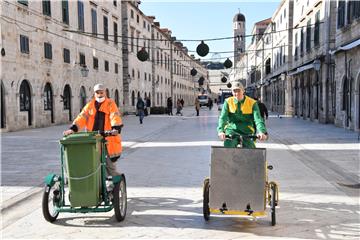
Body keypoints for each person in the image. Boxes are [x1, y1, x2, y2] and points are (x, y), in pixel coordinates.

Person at [63, 83, 123, 176]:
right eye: (97, 92)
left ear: (105, 92)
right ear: (94, 93)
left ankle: (116, 184)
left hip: (107, 138)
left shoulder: (110, 104)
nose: (99, 94)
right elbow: (82, 117)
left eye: (101, 92)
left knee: (110, 167)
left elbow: (114, 115)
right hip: (93, 139)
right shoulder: (90, 105)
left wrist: (115, 128)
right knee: (91, 166)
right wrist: (73, 129)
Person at [217, 81, 268, 149]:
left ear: (243, 91)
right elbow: (223, 118)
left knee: (251, 150)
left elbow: (258, 119)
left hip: (247, 131)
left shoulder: (252, 103)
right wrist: (221, 131)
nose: (236, 93)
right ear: (232, 92)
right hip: (232, 130)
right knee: (228, 146)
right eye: (234, 91)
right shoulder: (228, 102)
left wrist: (261, 131)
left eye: (238, 91)